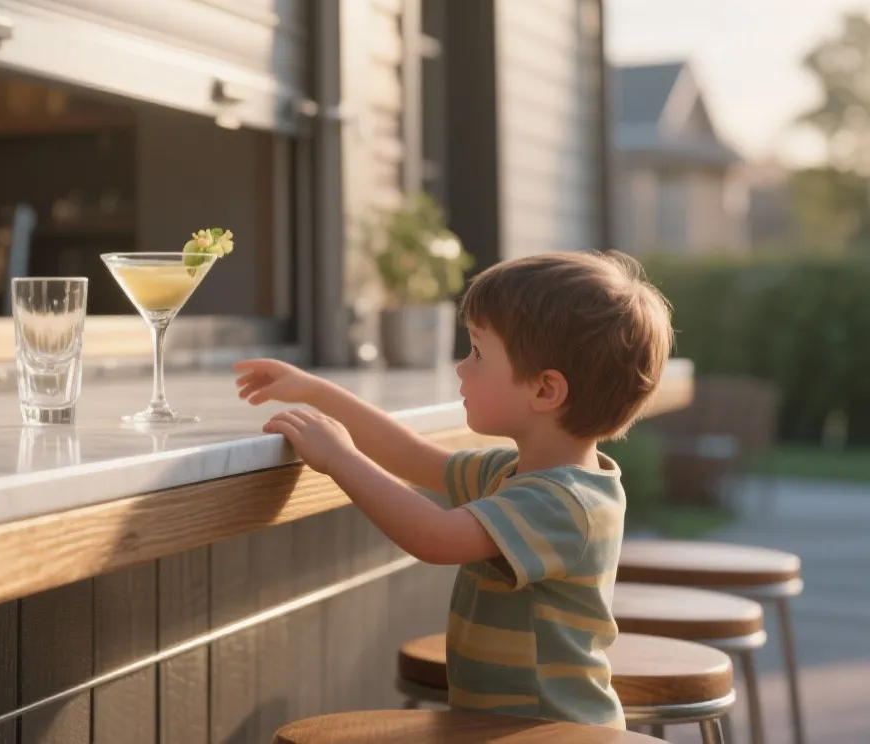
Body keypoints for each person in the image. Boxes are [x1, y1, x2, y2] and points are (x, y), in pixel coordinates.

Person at [234, 251, 672, 728]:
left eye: (479, 353)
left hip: (552, 732)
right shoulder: (516, 473)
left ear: (546, 391)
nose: (462, 367)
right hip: (508, 726)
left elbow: (435, 537)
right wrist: (315, 391)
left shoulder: (565, 503)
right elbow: (414, 458)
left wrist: (339, 457)